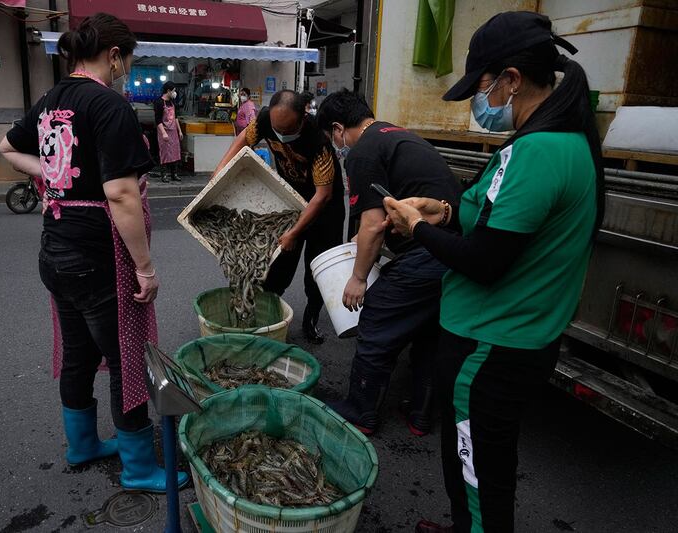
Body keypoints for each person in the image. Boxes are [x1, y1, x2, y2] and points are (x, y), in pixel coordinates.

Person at [381, 12, 604, 533]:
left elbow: (485, 261)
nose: (480, 104)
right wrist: (446, 213)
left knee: (478, 467)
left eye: (481, 86)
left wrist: (417, 229)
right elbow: (503, 225)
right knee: (480, 458)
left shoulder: (540, 150)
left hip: (491, 344)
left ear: (511, 79)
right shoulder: (565, 141)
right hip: (514, 337)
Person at [0, 12, 189, 493]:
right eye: (129, 59)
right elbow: (122, 195)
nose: (127, 68)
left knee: (79, 354)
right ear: (115, 56)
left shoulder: (51, 98)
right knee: (126, 358)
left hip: (55, 249)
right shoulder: (110, 106)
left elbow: (6, 146)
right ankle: (139, 467)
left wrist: (51, 175)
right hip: (96, 254)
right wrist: (145, 268)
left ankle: (82, 445)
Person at [316, 89, 460, 436]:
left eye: (332, 138)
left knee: (378, 317)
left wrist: (358, 278)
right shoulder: (397, 136)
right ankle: (420, 414)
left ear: (338, 129)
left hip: (429, 253)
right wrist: (361, 244)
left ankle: (360, 411)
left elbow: (371, 224)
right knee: (427, 331)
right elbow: (377, 224)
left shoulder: (362, 151)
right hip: (455, 251)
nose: (336, 145)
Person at [213, 89, 346, 344]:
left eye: (288, 129)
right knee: (279, 262)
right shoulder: (264, 119)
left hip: (324, 209)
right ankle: (268, 313)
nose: (282, 135)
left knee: (316, 268)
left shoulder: (318, 142)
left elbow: (322, 196)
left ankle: (311, 318)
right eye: (277, 129)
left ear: (302, 118)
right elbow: (243, 140)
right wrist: (220, 170)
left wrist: (294, 232)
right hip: (290, 201)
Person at [154, 81, 182, 183]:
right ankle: (164, 175)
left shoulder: (172, 102)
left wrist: (180, 131)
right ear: (168, 91)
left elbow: (176, 117)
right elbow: (158, 120)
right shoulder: (159, 102)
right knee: (165, 152)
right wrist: (163, 133)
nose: (175, 93)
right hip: (164, 131)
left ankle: (174, 174)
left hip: (173, 130)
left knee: (175, 152)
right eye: (174, 91)